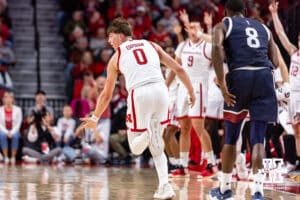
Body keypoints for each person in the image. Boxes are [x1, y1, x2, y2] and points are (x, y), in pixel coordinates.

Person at [80, 18, 195, 199]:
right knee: (157, 145)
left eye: (110, 37)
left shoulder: (116, 57)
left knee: (135, 148)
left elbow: (106, 95)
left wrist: (94, 118)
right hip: (161, 91)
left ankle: (147, 134)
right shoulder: (152, 45)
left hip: (140, 93)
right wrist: (191, 92)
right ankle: (165, 186)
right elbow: (179, 69)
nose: (109, 41)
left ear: (119, 35)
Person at [209, 0, 279, 199]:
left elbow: (216, 48)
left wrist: (222, 85)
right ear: (245, 11)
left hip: (240, 76)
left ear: (226, 12)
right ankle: (257, 191)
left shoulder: (223, 25)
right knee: (258, 139)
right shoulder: (263, 27)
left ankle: (224, 189)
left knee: (231, 137)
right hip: (264, 77)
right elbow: (274, 61)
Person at [269, 1, 300, 168]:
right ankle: (297, 162)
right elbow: (280, 34)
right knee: (296, 132)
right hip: (293, 97)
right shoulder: (294, 52)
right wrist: (274, 14)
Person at [0, 91, 22, 164]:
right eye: (6, 97)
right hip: (3, 129)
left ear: (13, 99)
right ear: (3, 99)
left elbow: (18, 123)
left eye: (10, 97)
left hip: (14, 130)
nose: (8, 99)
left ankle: (13, 157)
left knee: (15, 136)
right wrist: (7, 132)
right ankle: (6, 157)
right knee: (2, 135)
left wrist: (11, 132)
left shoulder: (18, 109)